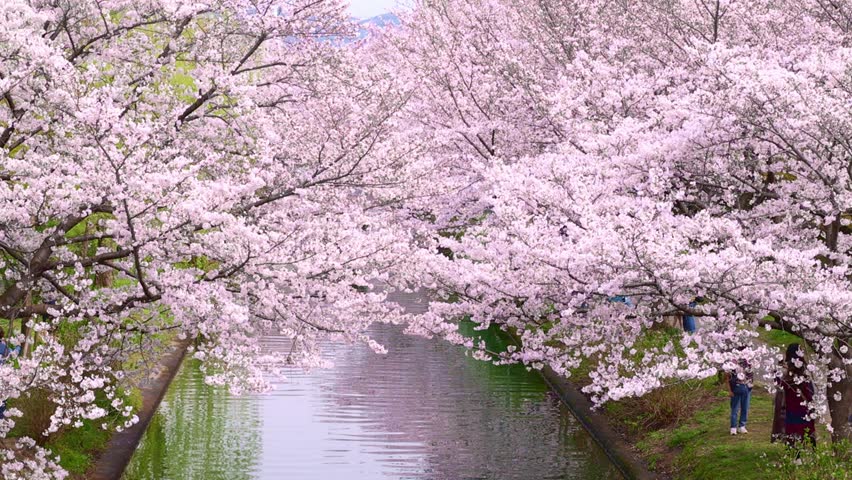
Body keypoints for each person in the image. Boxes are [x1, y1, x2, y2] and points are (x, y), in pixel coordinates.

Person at [773, 343, 816, 450]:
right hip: (803, 405)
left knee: (792, 429)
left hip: (790, 405)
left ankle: (792, 451)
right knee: (806, 428)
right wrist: (812, 402)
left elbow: (778, 383)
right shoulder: (803, 368)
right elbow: (809, 389)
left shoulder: (785, 369)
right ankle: (811, 449)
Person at [726, 346, 753, 435]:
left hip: (746, 387)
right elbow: (727, 377)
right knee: (735, 408)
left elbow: (751, 375)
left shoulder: (748, 363)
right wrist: (730, 390)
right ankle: (733, 427)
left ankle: (742, 426)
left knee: (745, 407)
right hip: (736, 388)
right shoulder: (732, 364)